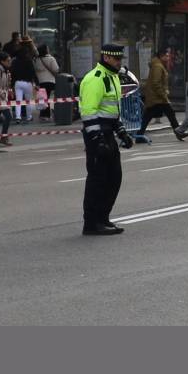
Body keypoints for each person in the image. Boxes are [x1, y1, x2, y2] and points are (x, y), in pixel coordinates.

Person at [78, 43, 132, 235]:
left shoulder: (113, 78)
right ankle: (91, 223)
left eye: (120, 59)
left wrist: (122, 132)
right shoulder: (96, 79)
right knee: (97, 180)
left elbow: (111, 111)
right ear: (107, 58)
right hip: (97, 135)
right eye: (116, 59)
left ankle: (103, 217)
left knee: (114, 178)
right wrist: (97, 139)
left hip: (108, 133)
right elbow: (88, 112)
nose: (119, 63)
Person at [138, 46, 181, 138]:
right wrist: (163, 95)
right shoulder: (158, 66)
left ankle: (139, 135)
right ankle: (179, 132)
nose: (168, 58)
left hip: (155, 97)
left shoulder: (158, 64)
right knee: (170, 113)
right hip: (158, 97)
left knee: (147, 116)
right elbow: (156, 83)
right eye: (167, 56)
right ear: (161, 56)